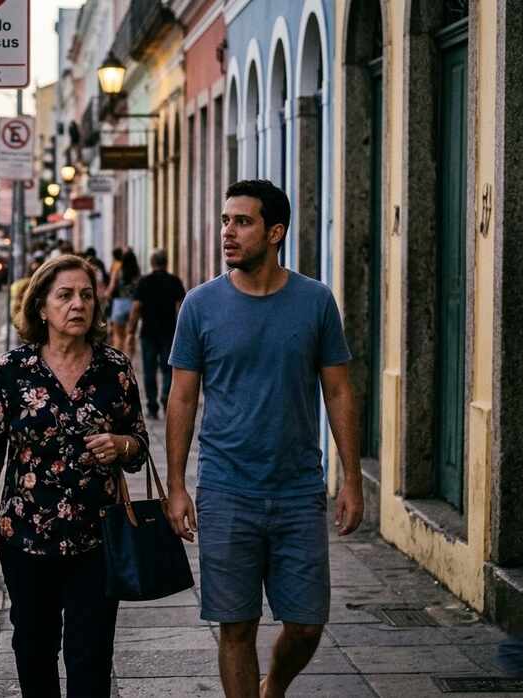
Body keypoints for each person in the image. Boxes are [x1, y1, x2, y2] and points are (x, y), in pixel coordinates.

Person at [165, 180, 361, 698]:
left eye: (242, 222)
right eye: (226, 220)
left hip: (298, 489)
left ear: (275, 233)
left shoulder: (315, 301)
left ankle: (273, 684)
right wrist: (177, 485)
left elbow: (338, 391)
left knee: (306, 623)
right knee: (236, 625)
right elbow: (182, 398)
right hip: (227, 489)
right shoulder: (199, 305)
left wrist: (353, 480)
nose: (228, 232)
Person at [0, 255, 148, 697]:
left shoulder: (114, 369)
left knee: (91, 655)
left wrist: (121, 446)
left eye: (86, 295)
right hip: (25, 537)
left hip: (97, 538)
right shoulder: (12, 370)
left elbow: (138, 445)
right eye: (65, 295)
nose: (78, 304)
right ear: (41, 307)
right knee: (33, 648)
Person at [127, 249, 186, 418]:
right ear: (166, 263)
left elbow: (136, 308)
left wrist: (131, 331)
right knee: (168, 369)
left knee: (149, 369)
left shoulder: (144, 282)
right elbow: (181, 307)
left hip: (148, 333)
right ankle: (166, 396)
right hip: (169, 332)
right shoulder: (174, 281)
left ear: (152, 263)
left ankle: (152, 405)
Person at [104, 249, 141, 356]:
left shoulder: (118, 271)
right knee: (130, 335)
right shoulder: (137, 273)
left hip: (119, 304)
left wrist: (105, 296)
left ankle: (118, 359)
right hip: (133, 306)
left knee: (118, 336)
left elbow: (111, 288)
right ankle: (129, 359)